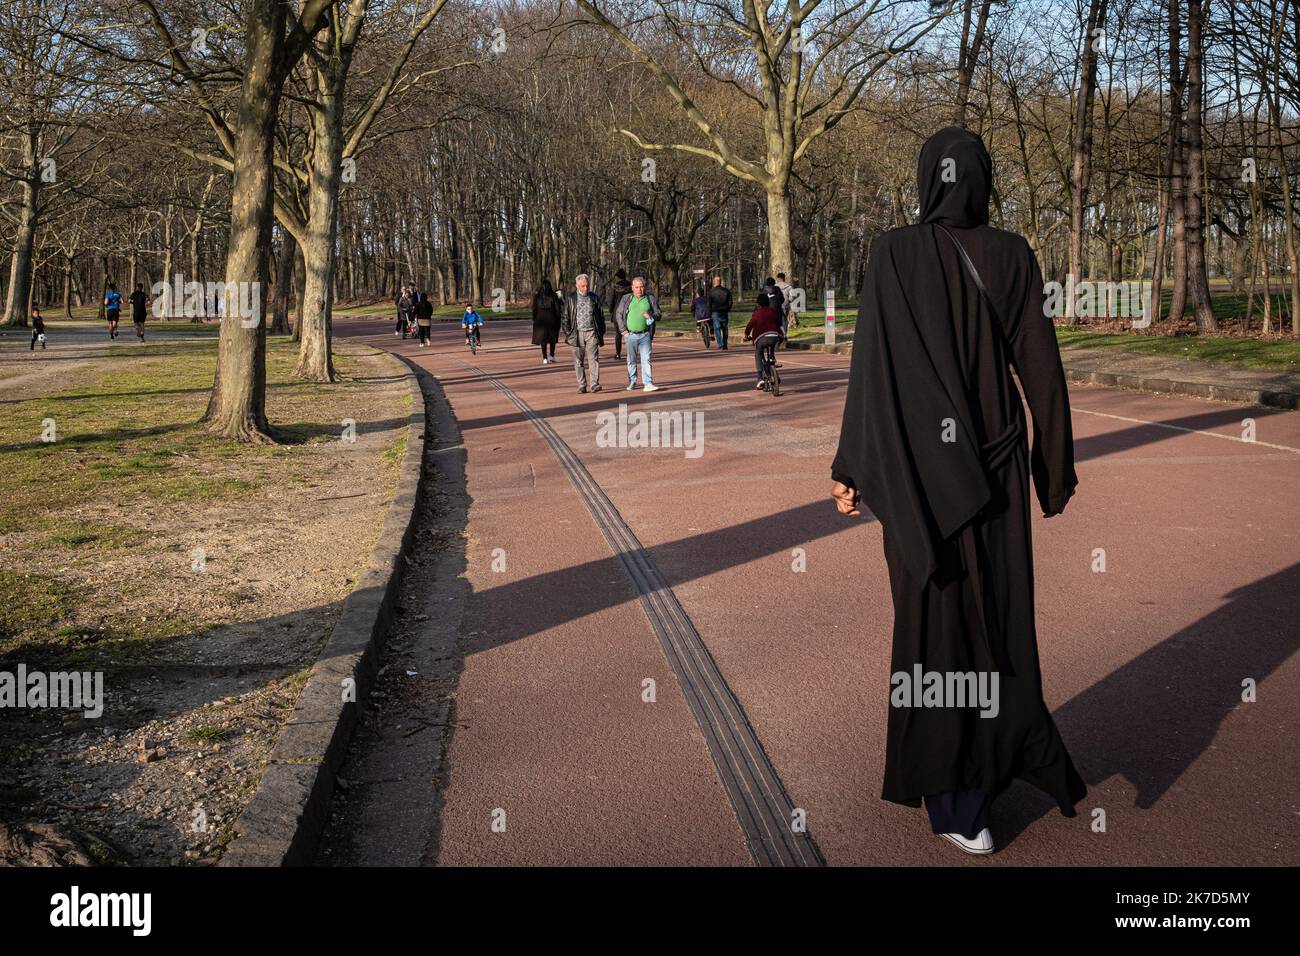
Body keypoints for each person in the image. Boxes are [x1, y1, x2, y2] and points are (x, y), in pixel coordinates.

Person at [830, 127, 1084, 856]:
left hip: (918, 480)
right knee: (998, 625)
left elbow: (870, 375)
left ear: (926, 180)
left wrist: (852, 466)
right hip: (995, 472)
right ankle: (985, 775)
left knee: (933, 627)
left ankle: (952, 795)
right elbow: (1042, 369)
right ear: (982, 181)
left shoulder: (891, 254)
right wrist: (1052, 469)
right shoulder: (1012, 256)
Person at [614, 275, 661, 392]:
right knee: (631, 360)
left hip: (645, 334)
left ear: (645, 287)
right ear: (632, 287)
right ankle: (633, 381)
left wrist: (651, 316)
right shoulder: (626, 298)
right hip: (630, 335)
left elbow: (658, 313)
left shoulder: (650, 298)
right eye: (637, 287)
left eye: (641, 287)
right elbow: (618, 314)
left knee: (646, 359)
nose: (639, 290)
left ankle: (648, 383)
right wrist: (623, 331)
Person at [561, 273, 605, 393]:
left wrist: (601, 331)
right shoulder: (571, 299)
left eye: (587, 286)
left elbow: (600, 316)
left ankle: (594, 384)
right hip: (576, 333)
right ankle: (582, 385)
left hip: (592, 333)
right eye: (582, 286)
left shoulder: (594, 298)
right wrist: (568, 334)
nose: (585, 288)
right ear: (577, 286)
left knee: (593, 359)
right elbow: (565, 318)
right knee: (578, 361)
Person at [743, 292, 784, 389]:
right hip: (774, 336)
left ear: (758, 304)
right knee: (772, 346)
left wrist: (746, 335)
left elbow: (750, 325)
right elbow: (779, 323)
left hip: (761, 337)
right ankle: (772, 359)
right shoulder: (772, 311)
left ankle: (760, 378)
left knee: (758, 353)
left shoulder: (756, 313)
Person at [532, 279, 562, 364]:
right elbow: (557, 309)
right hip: (552, 319)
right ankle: (551, 356)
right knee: (553, 338)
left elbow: (534, 309)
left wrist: (535, 319)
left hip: (540, 320)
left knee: (543, 340)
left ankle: (544, 358)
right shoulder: (554, 296)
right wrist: (558, 319)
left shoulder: (537, 296)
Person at [605, 268, 632, 359]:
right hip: (629, 312)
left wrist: (611, 310)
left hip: (617, 312)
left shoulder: (615, 287)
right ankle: (630, 353)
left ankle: (618, 353)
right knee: (630, 333)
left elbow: (611, 301)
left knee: (618, 334)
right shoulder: (631, 286)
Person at [707, 274, 732, 349]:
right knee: (725, 328)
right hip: (724, 311)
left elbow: (709, 303)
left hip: (715, 312)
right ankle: (725, 344)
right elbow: (730, 301)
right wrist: (728, 308)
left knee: (717, 328)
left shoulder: (711, 292)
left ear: (714, 282)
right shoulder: (726, 291)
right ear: (720, 282)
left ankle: (720, 344)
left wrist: (710, 311)